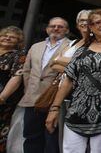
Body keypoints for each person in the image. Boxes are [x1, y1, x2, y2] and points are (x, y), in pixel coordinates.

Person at [45, 9, 101, 153]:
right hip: (76, 112)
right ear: (91, 28)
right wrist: (55, 108)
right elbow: (69, 79)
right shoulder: (82, 50)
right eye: (97, 23)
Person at [17, 17, 70, 153]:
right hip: (32, 99)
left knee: (52, 139)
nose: (56, 29)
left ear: (67, 30)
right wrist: (29, 88)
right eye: (53, 26)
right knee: (31, 137)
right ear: (47, 29)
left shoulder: (71, 46)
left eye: (60, 26)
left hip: (55, 99)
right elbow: (27, 71)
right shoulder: (36, 46)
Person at [49, 10, 91, 152]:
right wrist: (72, 64)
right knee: (62, 140)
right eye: (81, 21)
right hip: (61, 93)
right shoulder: (74, 42)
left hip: (78, 96)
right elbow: (53, 64)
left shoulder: (95, 44)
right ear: (77, 25)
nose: (84, 23)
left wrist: (62, 60)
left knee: (78, 142)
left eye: (88, 20)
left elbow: (87, 66)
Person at [0, 26, 26, 153]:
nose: (7, 38)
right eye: (5, 35)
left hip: (2, 101)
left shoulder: (18, 55)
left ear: (18, 41)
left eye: (12, 37)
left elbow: (17, 77)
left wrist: (2, 97)